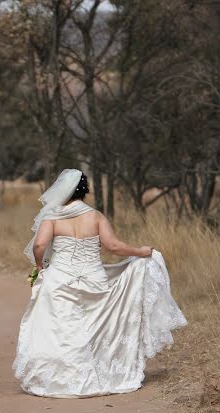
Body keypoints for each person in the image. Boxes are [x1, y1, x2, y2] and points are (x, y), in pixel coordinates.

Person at [13, 168, 187, 398]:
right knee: (92, 325)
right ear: (85, 191)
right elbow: (113, 247)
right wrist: (141, 252)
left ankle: (62, 378)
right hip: (93, 278)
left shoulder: (53, 217)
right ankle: (94, 373)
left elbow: (39, 246)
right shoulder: (95, 216)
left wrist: (39, 266)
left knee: (61, 328)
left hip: (60, 278)